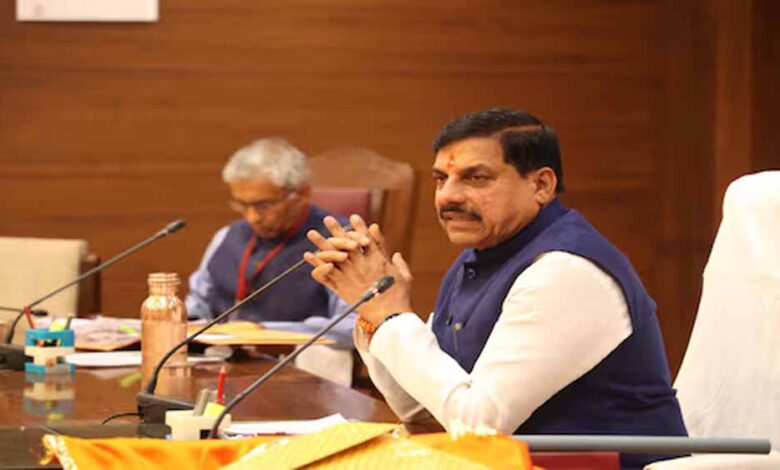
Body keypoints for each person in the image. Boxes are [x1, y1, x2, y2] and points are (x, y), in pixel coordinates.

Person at [304, 108, 687, 469]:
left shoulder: (566, 270)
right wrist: (373, 318)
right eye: (441, 179)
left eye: (476, 178)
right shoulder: (479, 258)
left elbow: (479, 426)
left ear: (541, 185)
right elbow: (426, 412)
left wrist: (392, 316)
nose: (448, 196)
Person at [186, 138, 354, 383]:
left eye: (263, 205)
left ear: (302, 194)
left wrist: (264, 332)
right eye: (242, 204)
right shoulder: (226, 236)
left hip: (298, 378)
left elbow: (353, 327)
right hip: (217, 372)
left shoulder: (338, 241)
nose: (252, 217)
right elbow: (196, 309)